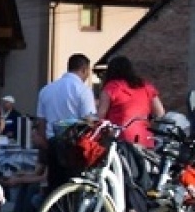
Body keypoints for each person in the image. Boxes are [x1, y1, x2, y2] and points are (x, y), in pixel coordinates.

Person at [34, 54, 96, 193]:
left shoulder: (46, 90)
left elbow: (41, 122)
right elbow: (89, 121)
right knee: (73, 187)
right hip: (74, 145)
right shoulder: (83, 90)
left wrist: (45, 144)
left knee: (54, 188)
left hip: (52, 142)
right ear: (84, 69)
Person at [96, 54, 164, 148]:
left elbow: (100, 117)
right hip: (145, 138)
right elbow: (160, 113)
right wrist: (147, 120)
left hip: (121, 139)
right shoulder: (146, 86)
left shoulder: (111, 88)